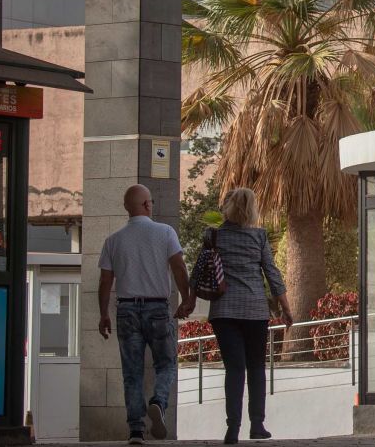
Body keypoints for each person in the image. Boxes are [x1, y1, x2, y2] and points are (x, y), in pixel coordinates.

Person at [98, 185, 194, 445]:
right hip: (157, 309)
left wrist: (103, 314)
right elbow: (178, 267)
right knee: (166, 363)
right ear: (147, 205)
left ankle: (136, 431)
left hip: (126, 309)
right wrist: (187, 298)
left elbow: (105, 281)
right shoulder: (165, 233)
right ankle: (159, 403)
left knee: (132, 372)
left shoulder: (113, 241)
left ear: (127, 208)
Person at [209, 188, 293, 445]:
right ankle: (257, 425)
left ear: (228, 207)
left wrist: (190, 299)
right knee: (256, 367)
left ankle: (232, 429)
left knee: (234, 369)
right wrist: (286, 308)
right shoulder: (259, 237)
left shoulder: (214, 236)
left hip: (223, 311)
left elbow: (202, 268)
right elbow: (272, 273)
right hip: (255, 311)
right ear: (252, 209)